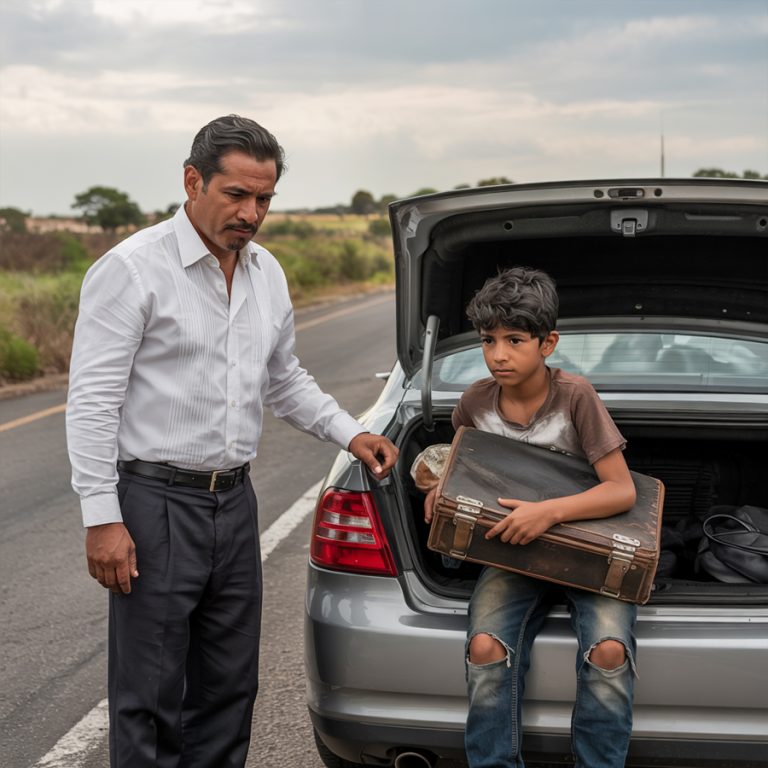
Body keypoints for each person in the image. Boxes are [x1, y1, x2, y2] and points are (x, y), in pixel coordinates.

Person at [66, 114, 398, 768]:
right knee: (151, 695)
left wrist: (352, 432)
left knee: (227, 689)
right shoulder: (132, 270)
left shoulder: (265, 273)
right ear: (193, 181)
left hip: (234, 505)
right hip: (155, 505)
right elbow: (92, 402)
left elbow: (284, 381)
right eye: (236, 195)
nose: (251, 213)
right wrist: (102, 517)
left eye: (264, 199)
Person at [424, 266, 637, 768]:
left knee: (608, 652)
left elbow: (621, 489)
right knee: (484, 649)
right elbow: (455, 465)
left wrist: (549, 513)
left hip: (588, 549)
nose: (499, 354)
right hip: (510, 552)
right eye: (488, 340)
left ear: (548, 343)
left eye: (515, 340)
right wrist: (436, 489)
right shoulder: (475, 401)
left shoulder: (575, 397)